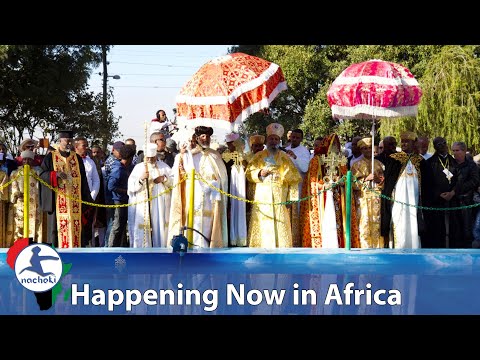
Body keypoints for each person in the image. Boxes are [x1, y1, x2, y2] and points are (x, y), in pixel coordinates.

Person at [169, 126, 229, 248]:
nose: (205, 138)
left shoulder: (215, 155)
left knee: (209, 220)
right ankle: (192, 244)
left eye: (207, 136)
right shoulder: (189, 154)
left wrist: (216, 183)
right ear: (197, 138)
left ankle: (209, 244)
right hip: (194, 194)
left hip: (211, 196)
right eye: (202, 136)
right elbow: (182, 172)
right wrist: (182, 155)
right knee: (194, 219)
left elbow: (222, 176)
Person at [246, 123, 302, 248]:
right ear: (267, 139)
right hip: (263, 191)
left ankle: (281, 245)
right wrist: (260, 172)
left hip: (279, 191)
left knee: (279, 218)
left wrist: (290, 198)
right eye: (271, 138)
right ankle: (260, 245)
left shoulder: (284, 157)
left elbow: (294, 177)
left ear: (279, 141)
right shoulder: (258, 156)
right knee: (262, 218)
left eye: (276, 139)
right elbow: (249, 172)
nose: (273, 141)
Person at [300, 134, 360, 248]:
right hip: (323, 196)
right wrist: (324, 185)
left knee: (339, 221)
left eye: (336, 146)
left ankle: (340, 242)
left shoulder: (340, 161)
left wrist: (341, 181)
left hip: (338, 196)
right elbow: (311, 181)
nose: (334, 149)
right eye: (332, 145)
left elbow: (346, 178)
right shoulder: (316, 160)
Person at [38, 130, 93, 248]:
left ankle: (77, 256)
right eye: (66, 140)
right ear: (60, 141)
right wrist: (55, 175)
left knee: (76, 230)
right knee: (56, 232)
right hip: (57, 203)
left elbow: (83, 180)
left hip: (75, 204)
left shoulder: (77, 158)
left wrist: (87, 201)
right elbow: (42, 175)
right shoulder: (51, 157)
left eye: (70, 140)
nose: (68, 143)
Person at [380, 131, 430, 249]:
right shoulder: (393, 159)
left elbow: (427, 183)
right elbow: (388, 181)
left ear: (414, 143)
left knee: (414, 220)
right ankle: (398, 247)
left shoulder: (420, 160)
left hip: (416, 198)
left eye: (407, 142)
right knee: (399, 219)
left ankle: (414, 245)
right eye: (402, 142)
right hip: (398, 197)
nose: (404, 144)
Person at [128, 143, 173, 248]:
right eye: (147, 158)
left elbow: (174, 182)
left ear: (155, 156)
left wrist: (164, 179)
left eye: (151, 158)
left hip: (160, 205)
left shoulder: (164, 167)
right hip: (143, 204)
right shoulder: (139, 168)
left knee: (160, 228)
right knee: (143, 229)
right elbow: (131, 187)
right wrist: (141, 179)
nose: (149, 160)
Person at [440, 141, 480, 248]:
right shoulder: (450, 164)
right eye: (453, 151)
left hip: (466, 202)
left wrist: (454, 191)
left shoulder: (472, 165)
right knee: (453, 231)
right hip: (452, 203)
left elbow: (474, 181)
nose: (454, 153)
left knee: (467, 231)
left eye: (457, 150)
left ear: (464, 151)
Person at [351, 137, 385, 248]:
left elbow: (384, 182)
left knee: (377, 223)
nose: (367, 150)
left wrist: (378, 180)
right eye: (364, 148)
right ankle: (364, 247)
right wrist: (365, 179)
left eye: (370, 148)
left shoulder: (379, 164)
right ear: (361, 150)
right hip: (363, 198)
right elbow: (353, 184)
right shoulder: (356, 165)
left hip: (376, 198)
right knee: (363, 223)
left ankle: (377, 246)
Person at [423, 137, 456, 248]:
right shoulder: (429, 163)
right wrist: (438, 194)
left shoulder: (453, 161)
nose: (442, 146)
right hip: (436, 201)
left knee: (453, 228)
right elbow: (426, 183)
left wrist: (452, 192)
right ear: (435, 147)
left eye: (444, 143)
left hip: (452, 199)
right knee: (437, 229)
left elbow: (458, 179)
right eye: (438, 144)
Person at [9, 150, 44, 242]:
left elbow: (41, 185)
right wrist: (16, 193)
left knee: (36, 224)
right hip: (21, 203)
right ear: (22, 160)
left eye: (29, 160)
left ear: (33, 161)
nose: (27, 162)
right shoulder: (15, 172)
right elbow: (13, 184)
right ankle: (19, 244)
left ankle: (35, 243)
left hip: (35, 203)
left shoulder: (38, 172)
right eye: (25, 160)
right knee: (19, 224)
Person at [106, 144, 136, 247]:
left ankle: (120, 246)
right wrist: (126, 191)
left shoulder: (128, 167)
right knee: (117, 226)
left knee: (123, 226)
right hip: (118, 200)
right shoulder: (117, 169)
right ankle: (111, 247)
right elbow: (111, 186)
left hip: (125, 200)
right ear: (130, 158)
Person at [74, 137, 100, 247]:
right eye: (83, 145)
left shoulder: (90, 162)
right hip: (74, 199)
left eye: (86, 145)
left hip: (88, 199)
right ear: (76, 147)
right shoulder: (71, 161)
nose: (86, 147)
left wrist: (92, 196)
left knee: (88, 226)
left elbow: (96, 180)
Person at [222, 132, 247, 247]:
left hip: (242, 186)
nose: (230, 146)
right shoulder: (225, 155)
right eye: (228, 144)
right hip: (228, 186)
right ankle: (231, 237)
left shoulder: (245, 155)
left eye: (232, 144)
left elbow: (247, 166)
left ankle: (241, 237)